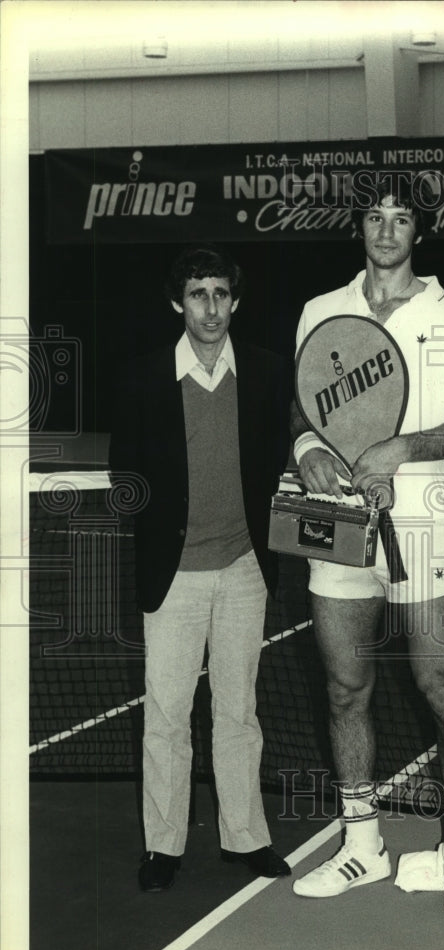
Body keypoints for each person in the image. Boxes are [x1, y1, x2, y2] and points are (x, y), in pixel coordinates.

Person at [289, 176, 444, 918]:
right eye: (374, 217)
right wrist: (309, 443)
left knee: (441, 686)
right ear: (359, 228)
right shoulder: (322, 311)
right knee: (345, 688)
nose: (385, 231)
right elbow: (301, 401)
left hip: (424, 518)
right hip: (337, 518)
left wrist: (403, 447)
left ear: (419, 233)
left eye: (401, 218)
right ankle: (361, 845)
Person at [109, 245, 292, 891]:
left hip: (245, 569)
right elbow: (125, 475)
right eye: (197, 294)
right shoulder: (142, 377)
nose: (210, 307)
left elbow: (283, 460)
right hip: (175, 577)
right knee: (166, 715)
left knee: (239, 711)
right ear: (176, 303)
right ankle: (164, 846)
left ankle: (247, 838)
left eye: (220, 293)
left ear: (235, 301)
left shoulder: (268, 374)